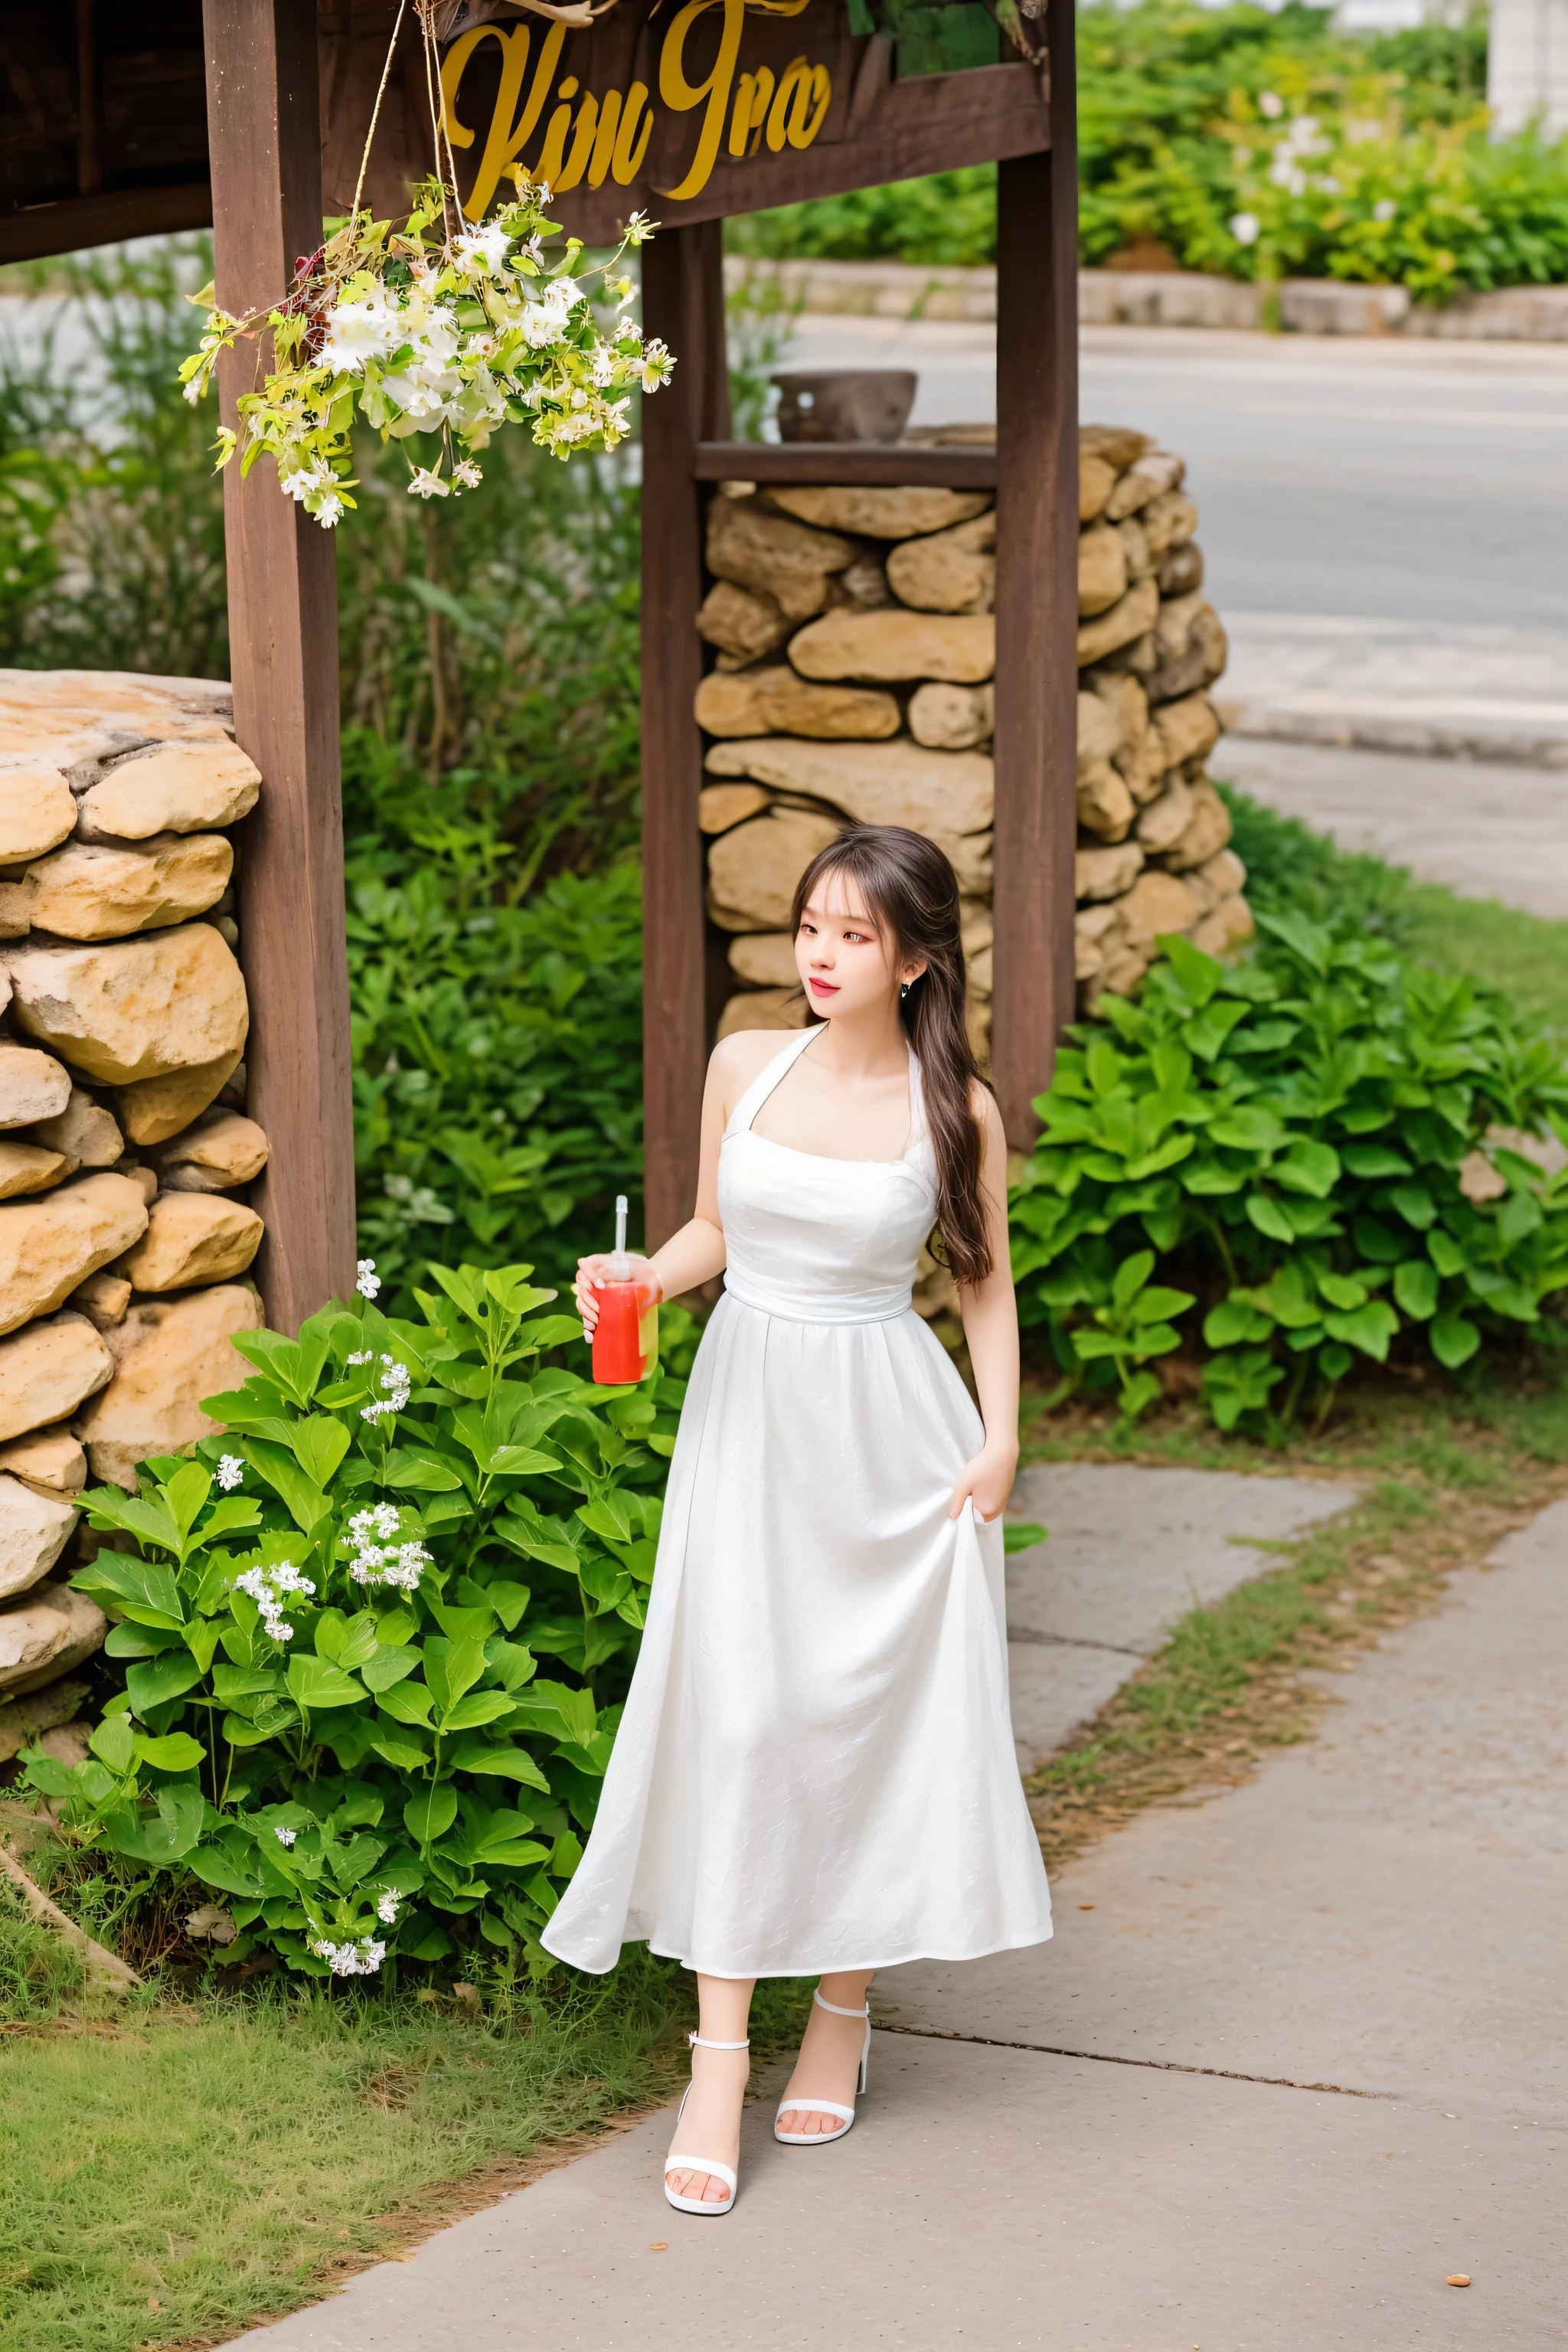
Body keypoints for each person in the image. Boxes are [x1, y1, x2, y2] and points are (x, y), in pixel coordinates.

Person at [544, 822, 1052, 2215]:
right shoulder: (739, 1064)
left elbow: (983, 1287)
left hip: (891, 1435)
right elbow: (713, 1228)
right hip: (752, 1415)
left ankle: (840, 2010)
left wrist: (1001, 1436)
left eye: (853, 936)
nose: (819, 957)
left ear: (918, 958)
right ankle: (717, 2064)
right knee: (748, 1718)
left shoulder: (961, 1112)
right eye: (809, 928)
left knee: (863, 1719)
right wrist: (642, 1275)